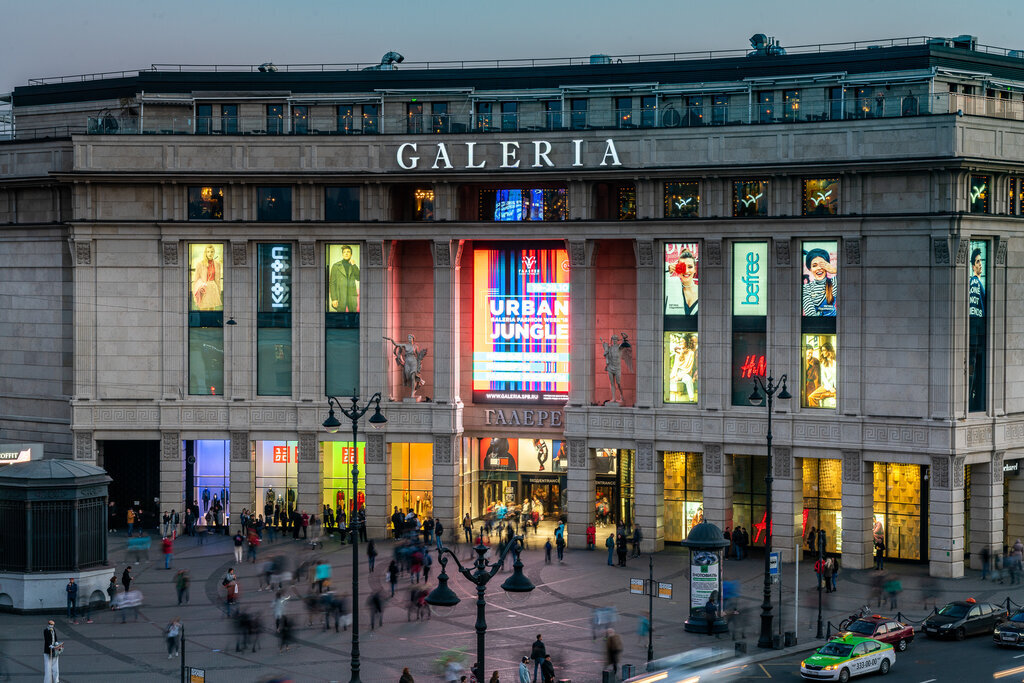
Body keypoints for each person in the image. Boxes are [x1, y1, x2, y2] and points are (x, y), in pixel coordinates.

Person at [384, 334, 428, 399]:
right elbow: (396, 344)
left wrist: (421, 358)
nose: (409, 339)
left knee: (413, 376)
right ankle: (417, 383)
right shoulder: (405, 345)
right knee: (408, 376)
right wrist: (391, 339)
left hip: (413, 362)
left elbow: (418, 355)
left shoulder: (415, 346)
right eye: (408, 338)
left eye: (410, 338)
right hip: (407, 361)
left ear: (413, 339)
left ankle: (412, 394)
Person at [802, 247, 838, 316]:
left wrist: (834, 270)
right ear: (810, 269)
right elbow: (811, 314)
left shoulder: (834, 282)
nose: (819, 268)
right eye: (814, 265)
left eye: (822, 265)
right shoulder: (806, 288)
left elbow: (851, 277)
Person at [191, 243, 223, 310]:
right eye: (208, 252)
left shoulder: (217, 264)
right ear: (205, 253)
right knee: (203, 309)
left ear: (214, 253)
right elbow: (196, 280)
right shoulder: (200, 264)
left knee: (212, 309)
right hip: (204, 288)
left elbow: (218, 280)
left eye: (212, 252)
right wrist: (195, 294)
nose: (210, 253)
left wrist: (219, 291)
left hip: (213, 287)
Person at [329, 244, 360, 312]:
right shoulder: (336, 266)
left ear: (351, 254)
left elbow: (359, 278)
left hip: (352, 296)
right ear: (342, 254)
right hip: (340, 296)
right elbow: (332, 283)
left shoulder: (353, 266)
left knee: (352, 318)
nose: (346, 253)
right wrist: (334, 298)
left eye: (348, 252)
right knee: (340, 318)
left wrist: (354, 265)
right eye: (344, 252)